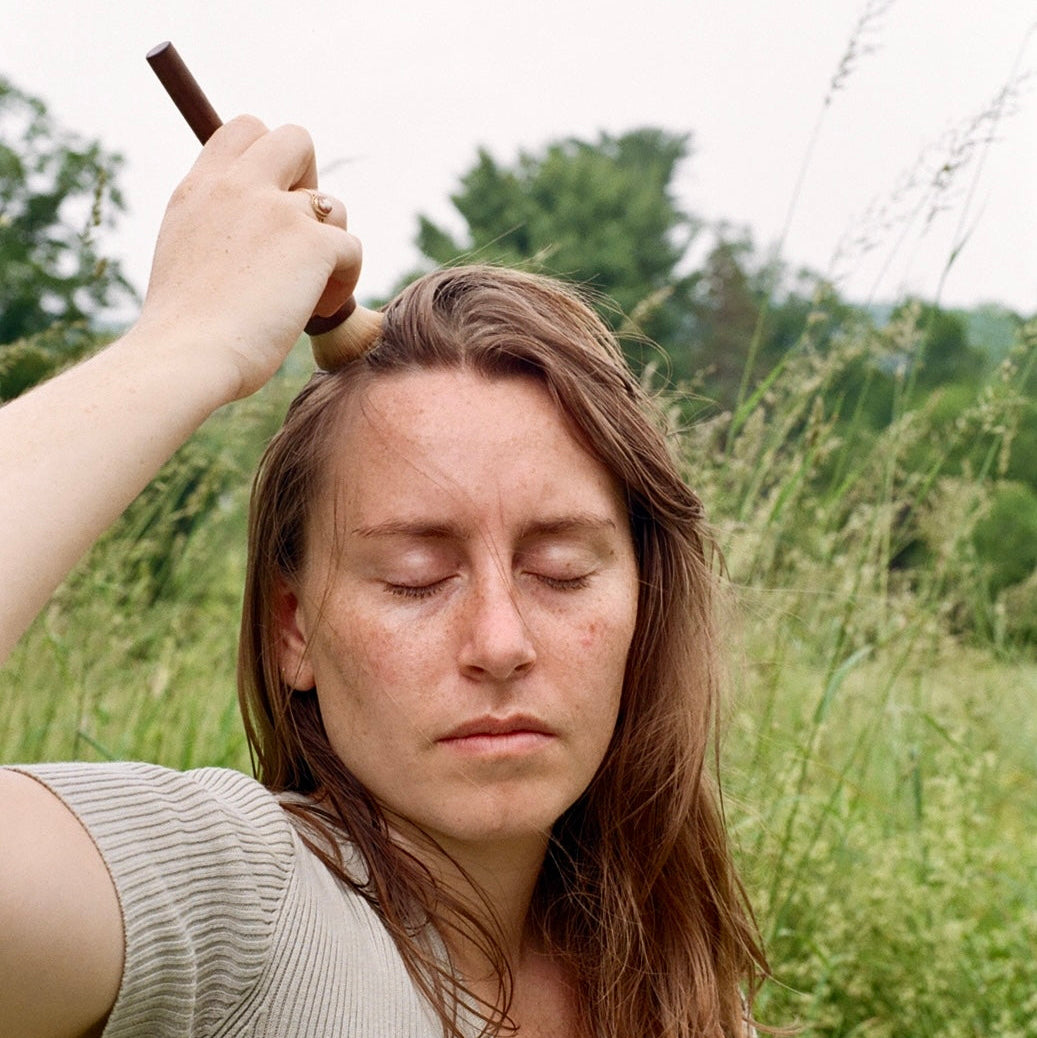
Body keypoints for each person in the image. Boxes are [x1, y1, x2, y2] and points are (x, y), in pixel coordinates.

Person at [0, 116, 768, 1038]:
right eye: (413, 578)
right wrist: (184, 343)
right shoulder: (241, 902)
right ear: (294, 630)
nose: (499, 643)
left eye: (561, 571)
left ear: (644, 598)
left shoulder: (666, 975)